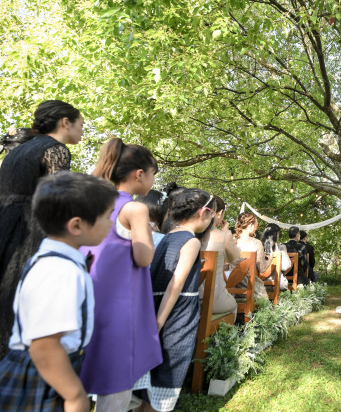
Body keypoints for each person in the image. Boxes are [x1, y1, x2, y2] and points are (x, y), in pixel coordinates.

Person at [0, 171, 117, 412]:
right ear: (76, 225)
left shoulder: (58, 262)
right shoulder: (60, 271)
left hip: (51, 371)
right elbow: (44, 345)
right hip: (43, 375)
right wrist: (74, 395)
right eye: (107, 216)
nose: (111, 223)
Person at [79, 138, 162, 411]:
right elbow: (144, 257)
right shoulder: (135, 208)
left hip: (86, 295)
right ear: (140, 175)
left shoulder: (90, 201)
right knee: (116, 385)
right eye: (152, 175)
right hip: (120, 304)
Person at [0, 100, 84, 359]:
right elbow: (57, 202)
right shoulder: (55, 149)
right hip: (32, 230)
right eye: (81, 125)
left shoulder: (17, 151)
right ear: (65, 122)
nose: (83, 131)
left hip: (6, 227)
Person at [138, 187, 216, 412]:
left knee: (149, 375)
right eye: (211, 215)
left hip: (153, 305)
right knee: (167, 374)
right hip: (177, 315)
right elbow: (176, 284)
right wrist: (160, 322)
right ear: (203, 213)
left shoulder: (166, 237)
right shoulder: (191, 242)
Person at [200, 196, 241, 321]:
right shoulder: (224, 236)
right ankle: (225, 339)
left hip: (187, 300)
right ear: (219, 213)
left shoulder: (191, 234)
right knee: (234, 304)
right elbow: (235, 259)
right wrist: (226, 233)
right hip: (214, 300)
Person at [233, 212, 271, 300]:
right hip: (249, 286)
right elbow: (262, 268)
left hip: (230, 286)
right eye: (256, 226)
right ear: (250, 225)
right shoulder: (256, 243)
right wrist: (270, 257)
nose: (255, 230)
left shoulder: (230, 240)